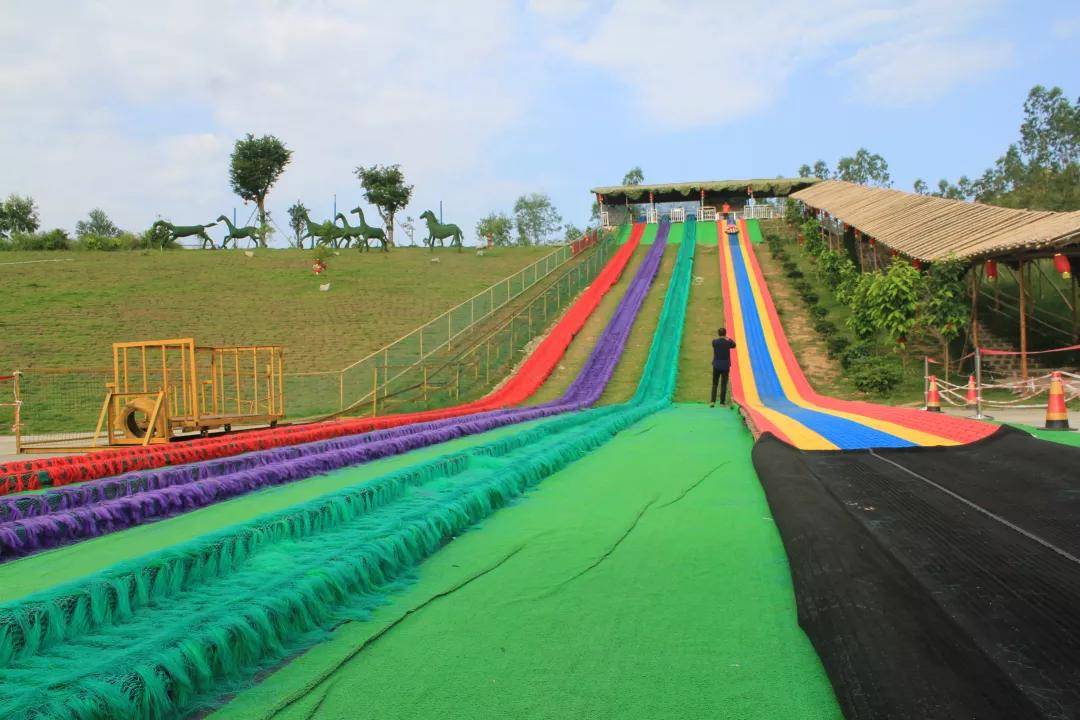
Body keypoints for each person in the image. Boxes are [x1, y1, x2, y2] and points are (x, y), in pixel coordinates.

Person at [710, 328, 736, 407]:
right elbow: (734, 345)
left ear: (718, 334)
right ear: (725, 334)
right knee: (724, 384)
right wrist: (728, 338)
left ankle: (712, 401)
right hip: (725, 366)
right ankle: (722, 402)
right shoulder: (727, 342)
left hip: (716, 365)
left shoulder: (714, 342)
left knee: (715, 383)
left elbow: (714, 344)